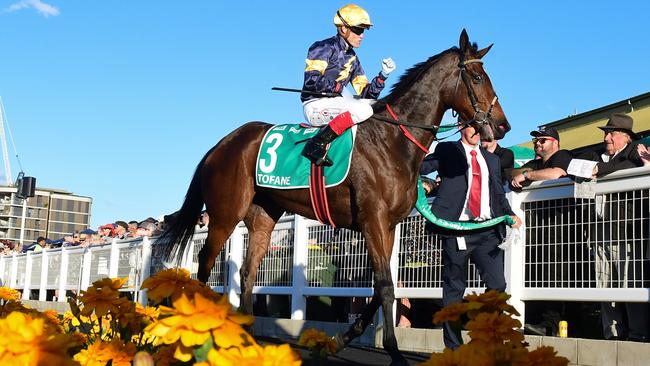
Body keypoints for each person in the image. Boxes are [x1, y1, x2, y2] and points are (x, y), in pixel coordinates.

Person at [420, 124, 522, 349]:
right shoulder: (448, 150)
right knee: (454, 288)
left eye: (481, 126)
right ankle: (454, 348)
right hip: (457, 229)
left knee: (497, 284)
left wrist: (510, 214)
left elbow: (497, 192)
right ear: (460, 126)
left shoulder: (492, 159)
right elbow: (420, 166)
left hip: (486, 231)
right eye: (472, 126)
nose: (478, 131)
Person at [579, 113, 648, 342]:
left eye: (611, 133)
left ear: (626, 137)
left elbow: (629, 165)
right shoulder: (598, 157)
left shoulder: (634, 151)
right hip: (598, 231)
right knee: (603, 284)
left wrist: (598, 170)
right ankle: (612, 333)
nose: (606, 137)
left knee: (630, 282)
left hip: (625, 230)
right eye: (606, 133)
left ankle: (637, 333)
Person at [301, 4, 395, 166]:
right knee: (364, 109)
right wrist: (338, 88)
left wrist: (382, 76)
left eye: (363, 31)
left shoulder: (353, 58)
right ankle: (316, 144)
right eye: (358, 30)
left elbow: (366, 94)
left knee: (377, 106)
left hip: (337, 103)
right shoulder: (323, 47)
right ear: (343, 29)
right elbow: (312, 80)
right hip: (315, 104)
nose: (362, 35)